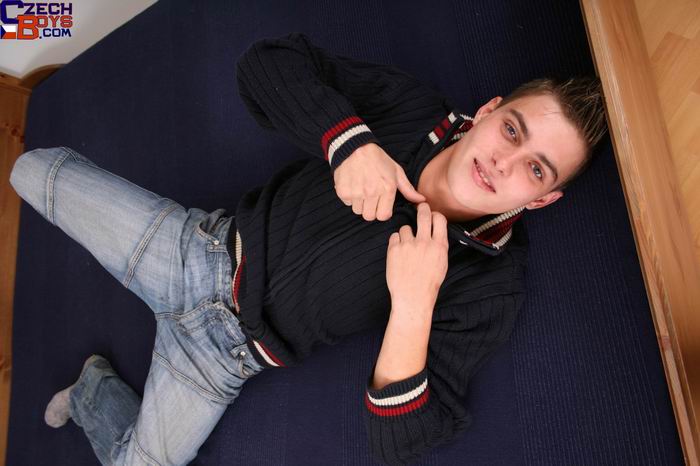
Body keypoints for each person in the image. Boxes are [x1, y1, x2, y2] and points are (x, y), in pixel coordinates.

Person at [9, 32, 606, 466]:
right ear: (489, 111)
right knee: (29, 171)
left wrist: (414, 306)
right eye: (512, 130)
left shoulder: (490, 281)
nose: (502, 162)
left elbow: (401, 442)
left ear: (543, 199)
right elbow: (265, 64)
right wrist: (347, 143)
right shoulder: (413, 110)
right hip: (194, 252)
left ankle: (93, 392)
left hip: (222, 359)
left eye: (535, 169)